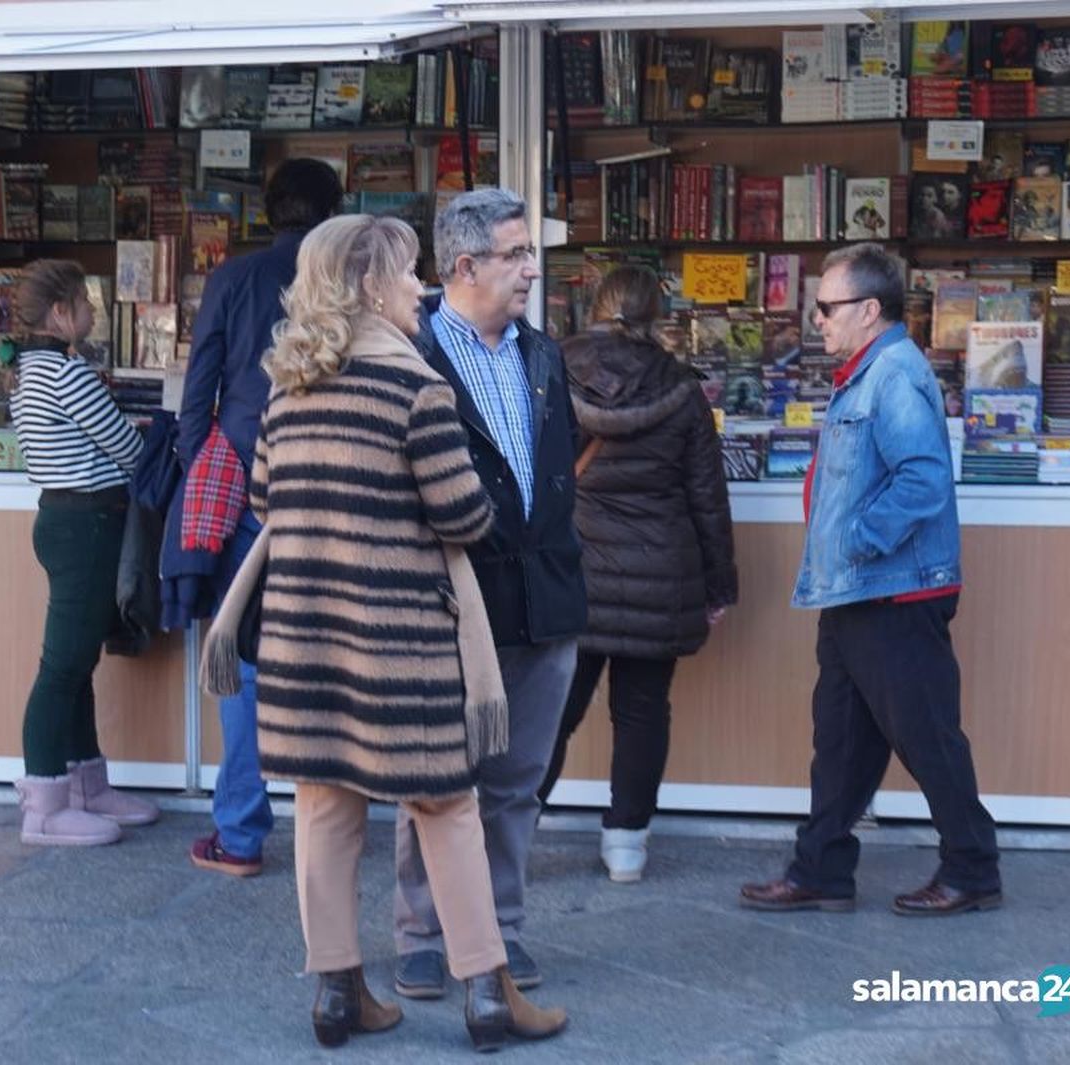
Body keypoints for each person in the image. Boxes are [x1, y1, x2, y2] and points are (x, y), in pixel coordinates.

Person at [252, 214, 566, 1051]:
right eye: (404, 274)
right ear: (368, 287)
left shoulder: (289, 390)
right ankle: (488, 993)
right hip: (401, 641)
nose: (418, 289)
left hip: (306, 639)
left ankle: (337, 991)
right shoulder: (414, 389)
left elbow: (264, 503)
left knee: (323, 808)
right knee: (447, 805)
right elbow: (464, 514)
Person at [739, 243, 1001, 917]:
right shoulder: (864, 372)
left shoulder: (893, 375)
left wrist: (856, 539)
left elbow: (922, 479)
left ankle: (972, 868)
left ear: (869, 309)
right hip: (856, 591)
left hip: (891, 591)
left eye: (827, 307)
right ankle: (821, 868)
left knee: (926, 734)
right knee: (842, 741)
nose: (817, 320)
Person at [394, 188, 587, 999]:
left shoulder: (543, 355)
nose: (532, 271)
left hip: (545, 601)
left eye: (530, 253)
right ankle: (422, 934)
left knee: (517, 781)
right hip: (449, 606)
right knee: (437, 779)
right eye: (516, 255)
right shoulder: (407, 356)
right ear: (465, 266)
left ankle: (502, 929)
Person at [536, 266, 738, 882]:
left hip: (572, 568)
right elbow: (707, 496)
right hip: (662, 570)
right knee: (644, 708)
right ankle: (626, 842)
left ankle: (512, 830)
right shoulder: (681, 386)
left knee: (552, 709)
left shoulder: (551, 368)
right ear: (658, 315)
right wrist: (719, 583)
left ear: (595, 307)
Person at [173, 158, 344, 878]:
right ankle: (333, 823)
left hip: (246, 477)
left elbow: (198, 390)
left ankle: (240, 832)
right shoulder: (347, 283)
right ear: (336, 211)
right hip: (332, 481)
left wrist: (202, 462)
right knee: (331, 646)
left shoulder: (232, 279)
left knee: (240, 651)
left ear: (267, 208)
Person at [10, 259, 158, 846]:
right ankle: (44, 803)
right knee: (62, 667)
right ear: (60, 313)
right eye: (86, 302)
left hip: (63, 520)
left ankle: (85, 785)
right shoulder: (68, 377)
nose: (94, 312)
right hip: (88, 524)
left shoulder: (26, 372)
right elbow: (127, 448)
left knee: (78, 663)